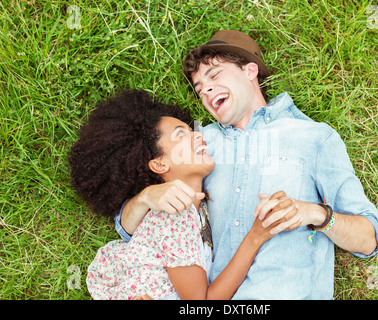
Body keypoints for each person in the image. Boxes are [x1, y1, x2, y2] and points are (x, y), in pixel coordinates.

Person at [115, 30, 378, 299]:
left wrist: (316, 215)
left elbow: (369, 239)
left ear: (250, 71)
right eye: (199, 88)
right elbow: (132, 232)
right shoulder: (200, 144)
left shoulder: (313, 137)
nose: (205, 89)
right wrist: (146, 197)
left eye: (215, 75)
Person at [68, 90, 291, 300]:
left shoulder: (197, 206)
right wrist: (256, 236)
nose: (197, 135)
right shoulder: (174, 219)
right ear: (160, 164)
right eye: (181, 134)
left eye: (191, 129)